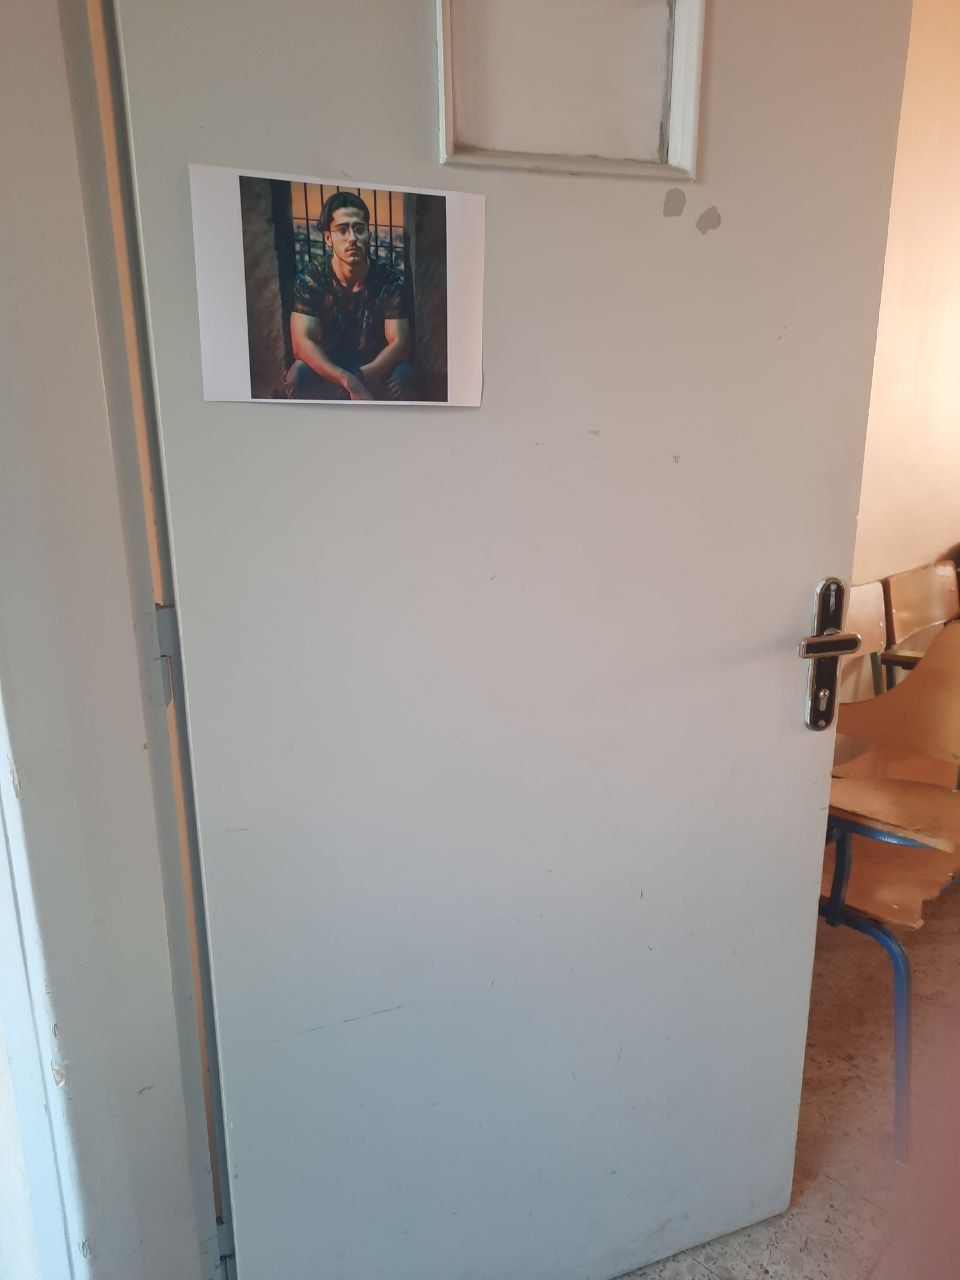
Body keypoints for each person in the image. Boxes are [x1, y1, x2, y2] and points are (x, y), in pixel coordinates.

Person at [286, 191, 414, 401]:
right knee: (298, 375)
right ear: (328, 238)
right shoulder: (312, 279)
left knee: (404, 376)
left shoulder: (389, 281)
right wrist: (347, 380)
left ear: (368, 235)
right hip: (328, 370)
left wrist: (360, 377)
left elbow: (400, 345)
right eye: (342, 230)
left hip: (374, 370)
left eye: (359, 229)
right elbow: (301, 345)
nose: (352, 238)